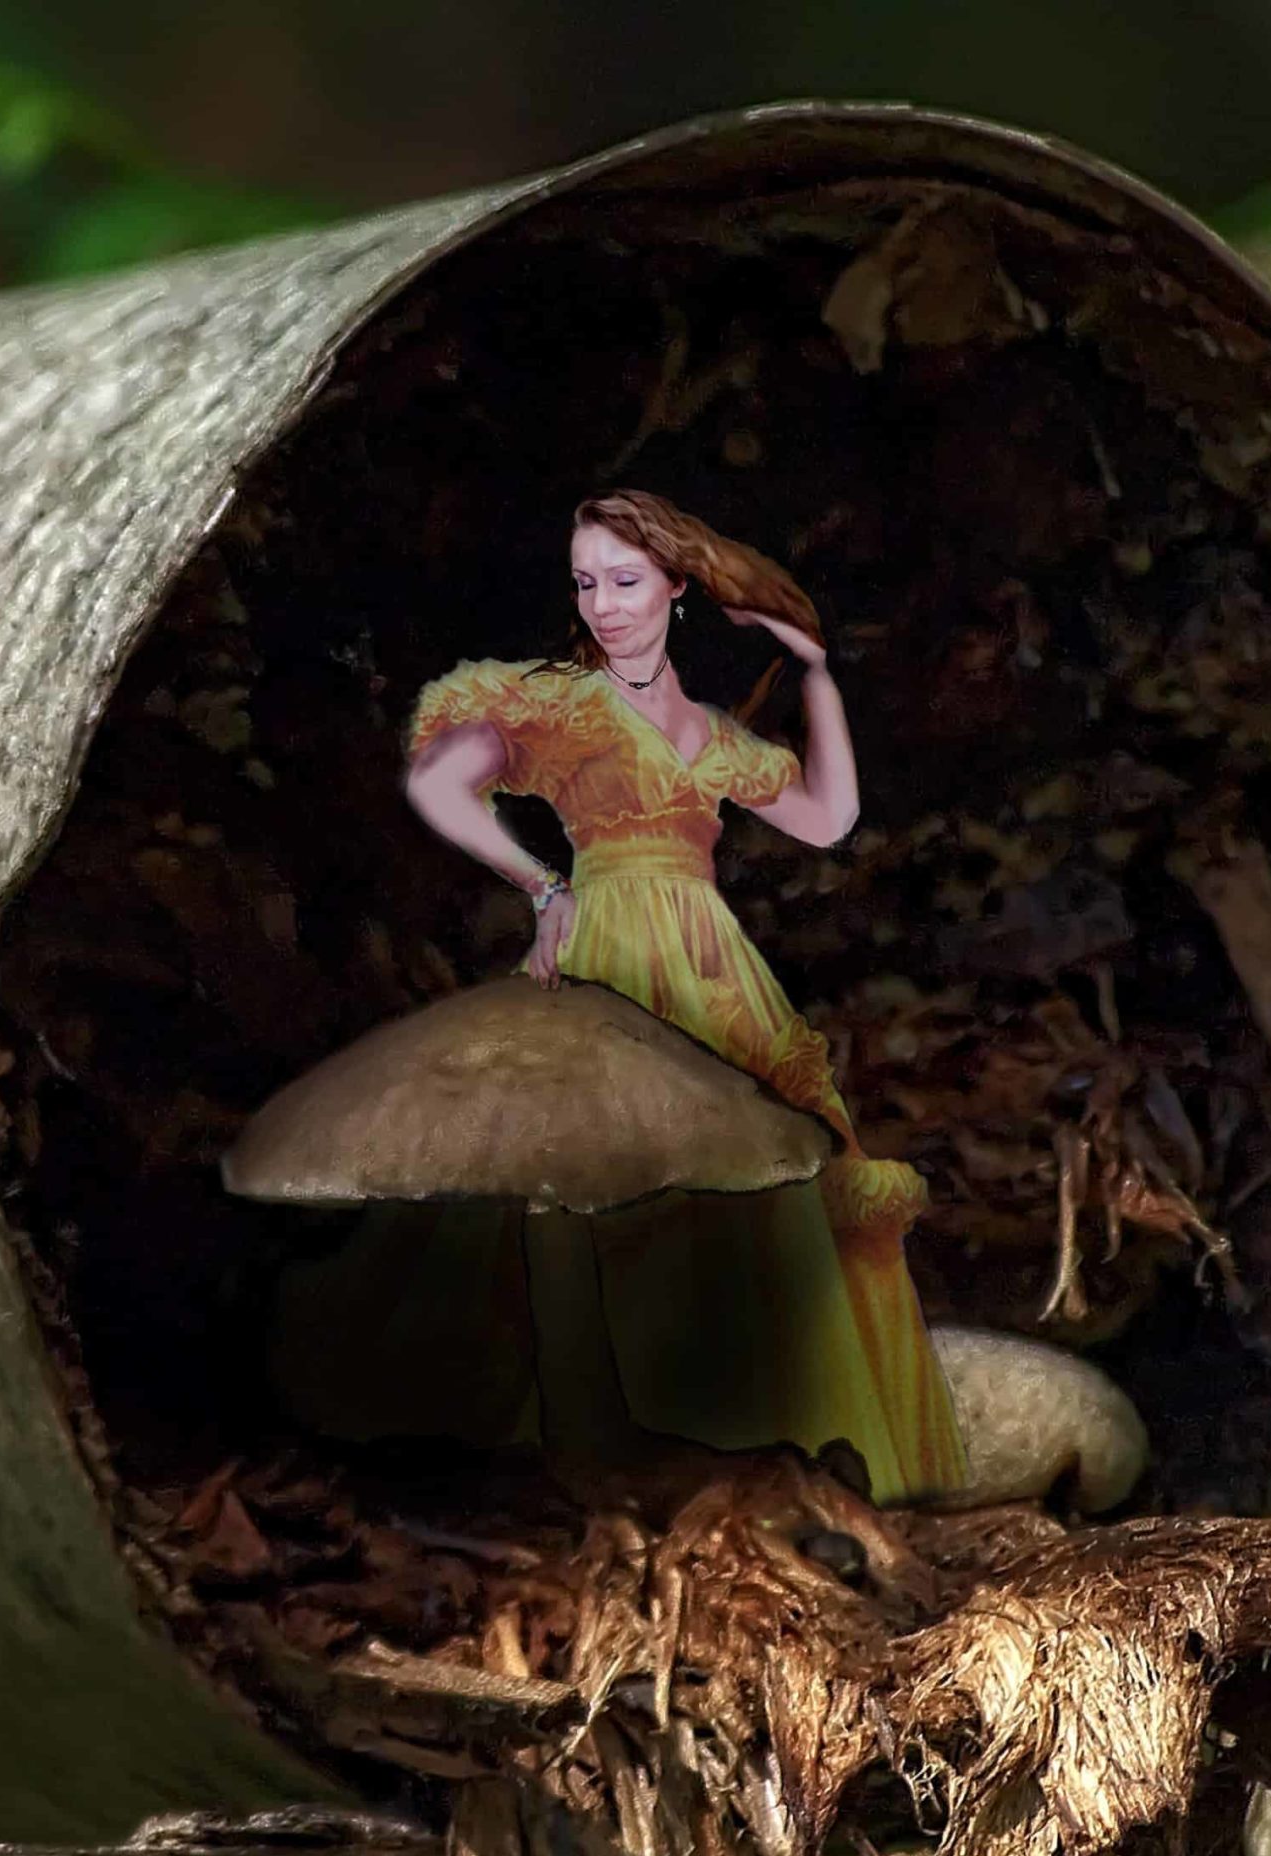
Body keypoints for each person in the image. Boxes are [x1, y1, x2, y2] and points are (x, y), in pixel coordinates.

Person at [290, 490, 968, 1504]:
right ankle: (607, 1453)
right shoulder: (565, 706)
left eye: (625, 580)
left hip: (715, 959)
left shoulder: (709, 731)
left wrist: (818, 673)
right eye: (585, 583)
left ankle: (757, 1444)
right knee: (600, 1164)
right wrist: (541, 885)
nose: (603, 604)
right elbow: (438, 783)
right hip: (609, 941)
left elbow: (828, 819)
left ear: (676, 588)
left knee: (770, 1169)